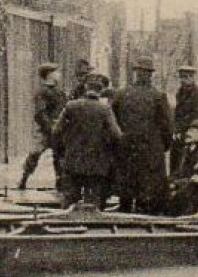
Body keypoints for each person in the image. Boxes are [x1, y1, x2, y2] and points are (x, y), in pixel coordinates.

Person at [110, 55, 173, 214]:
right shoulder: (158, 96)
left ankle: (124, 210)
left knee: (127, 181)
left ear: (135, 73)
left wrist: (117, 141)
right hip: (150, 149)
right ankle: (142, 214)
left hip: (126, 146)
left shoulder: (121, 94)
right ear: (151, 74)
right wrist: (164, 145)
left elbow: (112, 121)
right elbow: (167, 126)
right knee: (146, 185)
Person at [52, 73, 123, 208]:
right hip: (96, 164)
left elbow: (56, 131)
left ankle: (65, 226)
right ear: (100, 91)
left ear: (85, 87)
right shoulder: (105, 110)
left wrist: (63, 151)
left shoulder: (71, 106)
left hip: (73, 161)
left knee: (69, 200)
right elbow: (116, 135)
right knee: (94, 202)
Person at [19, 62, 67, 189]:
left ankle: (61, 182)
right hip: (46, 130)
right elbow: (40, 113)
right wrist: (50, 127)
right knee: (35, 153)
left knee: (61, 157)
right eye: (57, 72)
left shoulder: (60, 92)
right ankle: (24, 178)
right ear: (50, 74)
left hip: (59, 129)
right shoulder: (42, 92)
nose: (59, 75)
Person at [169, 64, 198, 176]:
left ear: (193, 78)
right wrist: (176, 130)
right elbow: (177, 114)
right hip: (179, 134)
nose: (184, 80)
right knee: (176, 163)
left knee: (189, 164)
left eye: (187, 77)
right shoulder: (179, 93)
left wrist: (183, 131)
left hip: (194, 134)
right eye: (182, 77)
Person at [166, 119, 198, 213]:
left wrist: (175, 184)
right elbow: (179, 171)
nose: (187, 133)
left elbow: (195, 178)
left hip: (193, 193)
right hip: (183, 187)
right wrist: (167, 181)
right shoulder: (186, 150)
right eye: (188, 130)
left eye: (192, 131)